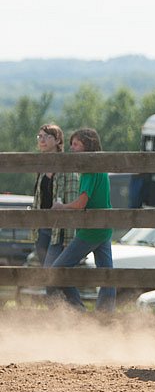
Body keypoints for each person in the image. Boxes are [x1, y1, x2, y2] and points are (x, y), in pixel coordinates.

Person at [47, 128, 115, 312]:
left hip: (91, 230)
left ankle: (78, 310)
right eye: (71, 144)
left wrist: (62, 207)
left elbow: (81, 203)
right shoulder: (100, 166)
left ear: (88, 146)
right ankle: (106, 314)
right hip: (104, 227)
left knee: (58, 270)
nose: (72, 148)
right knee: (106, 274)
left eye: (76, 144)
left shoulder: (89, 170)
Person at [32, 124, 79, 266]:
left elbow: (72, 201)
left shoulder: (67, 167)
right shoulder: (40, 166)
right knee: (54, 279)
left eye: (48, 136)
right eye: (40, 136)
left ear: (58, 141)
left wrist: (69, 239)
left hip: (59, 230)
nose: (42, 140)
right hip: (42, 229)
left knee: (51, 274)